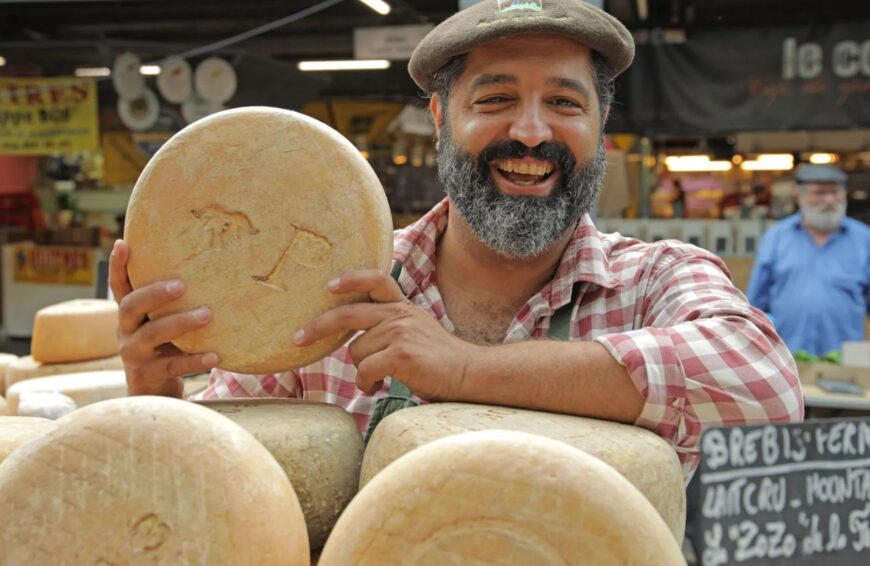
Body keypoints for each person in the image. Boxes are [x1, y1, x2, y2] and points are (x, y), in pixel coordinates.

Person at [110, 0, 802, 482]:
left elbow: (766, 384)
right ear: (441, 117)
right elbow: (234, 481)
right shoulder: (324, 285)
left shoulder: (653, 280)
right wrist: (159, 399)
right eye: (495, 98)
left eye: (564, 103)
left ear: (600, 128)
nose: (531, 132)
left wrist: (464, 371)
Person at [747, 163, 870, 357]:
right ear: (799, 196)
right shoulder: (776, 237)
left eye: (835, 192)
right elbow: (756, 304)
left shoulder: (864, 239)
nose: (829, 200)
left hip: (844, 357)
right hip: (786, 354)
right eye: (819, 193)